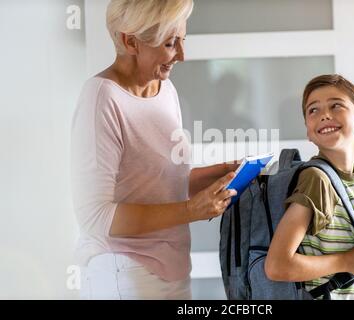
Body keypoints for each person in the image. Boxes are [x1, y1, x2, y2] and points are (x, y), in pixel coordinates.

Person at [71, 0, 238, 300]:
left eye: (182, 41)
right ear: (130, 41)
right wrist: (191, 211)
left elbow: (159, 185)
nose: (182, 56)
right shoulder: (102, 98)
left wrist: (220, 175)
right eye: (171, 44)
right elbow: (95, 216)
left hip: (172, 270)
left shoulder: (166, 91)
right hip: (123, 273)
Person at [264, 74, 354, 299]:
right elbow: (277, 265)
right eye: (313, 110)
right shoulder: (317, 179)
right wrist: (346, 261)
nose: (324, 115)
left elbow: (340, 238)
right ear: (308, 130)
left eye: (336, 105)